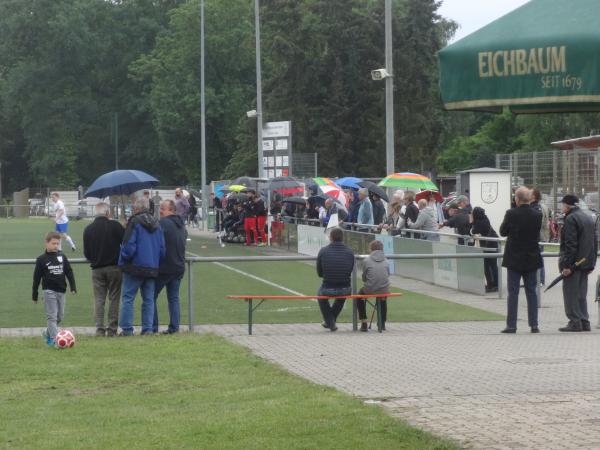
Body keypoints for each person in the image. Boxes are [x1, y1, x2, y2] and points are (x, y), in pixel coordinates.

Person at [118, 197, 165, 336]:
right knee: (149, 300)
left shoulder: (134, 222)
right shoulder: (157, 223)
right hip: (152, 266)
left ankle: (127, 330)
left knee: (128, 298)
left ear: (137, 208)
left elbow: (129, 247)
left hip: (134, 266)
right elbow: (162, 249)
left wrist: (124, 256)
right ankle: (147, 329)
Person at [499, 187, 542, 334]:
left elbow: (503, 231)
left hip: (514, 257)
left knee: (513, 292)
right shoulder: (537, 214)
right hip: (531, 256)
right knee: (531, 291)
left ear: (516, 199)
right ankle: (534, 324)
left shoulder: (511, 213)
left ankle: (511, 325)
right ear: (529, 199)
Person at [83, 202, 125, 337]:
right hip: (114, 268)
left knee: (99, 299)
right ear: (108, 213)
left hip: (97, 269)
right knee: (114, 298)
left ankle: (99, 329)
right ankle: (112, 330)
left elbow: (87, 253)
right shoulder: (115, 226)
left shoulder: (88, 229)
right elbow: (125, 242)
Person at [558, 194, 597, 332]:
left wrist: (567, 265)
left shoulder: (570, 219)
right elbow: (594, 242)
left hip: (574, 264)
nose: (561, 207)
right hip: (585, 262)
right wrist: (592, 263)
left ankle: (575, 321)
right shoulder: (588, 217)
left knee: (570, 293)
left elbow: (570, 245)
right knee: (581, 294)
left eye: (562, 204)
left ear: (568, 205)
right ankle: (584, 321)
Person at [32, 231, 77, 346]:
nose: (56, 246)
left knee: (59, 316)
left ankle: (46, 332)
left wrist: (73, 287)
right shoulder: (41, 259)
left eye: (57, 243)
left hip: (61, 291)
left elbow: (69, 272)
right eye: (53, 243)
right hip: (48, 291)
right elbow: (36, 278)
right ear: (46, 243)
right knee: (51, 316)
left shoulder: (62, 256)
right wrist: (35, 295)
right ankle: (54, 339)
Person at [153, 200, 187, 334]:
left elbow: (155, 241)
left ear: (171, 210)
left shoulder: (163, 223)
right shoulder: (181, 224)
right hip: (178, 266)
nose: (160, 211)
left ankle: (153, 327)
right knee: (173, 298)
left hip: (165, 267)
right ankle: (174, 328)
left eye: (162, 208)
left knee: (150, 296)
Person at [316, 227, 355, 331]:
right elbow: (350, 270)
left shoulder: (323, 251)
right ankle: (331, 321)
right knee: (342, 296)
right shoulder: (350, 251)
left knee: (321, 296)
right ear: (342, 238)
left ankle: (330, 322)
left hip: (328, 287)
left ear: (330, 238)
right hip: (345, 287)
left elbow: (319, 273)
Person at [357, 240, 390, 332]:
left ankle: (364, 322)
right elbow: (388, 274)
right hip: (384, 289)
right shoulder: (386, 261)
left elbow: (364, 277)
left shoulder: (366, 260)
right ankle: (382, 323)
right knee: (383, 297)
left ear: (371, 249)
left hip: (370, 288)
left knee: (359, 297)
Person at [470, 206, 499, 293]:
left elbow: (473, 231)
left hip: (488, 245)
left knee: (487, 266)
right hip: (493, 243)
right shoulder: (485, 218)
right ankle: (495, 284)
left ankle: (491, 285)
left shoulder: (478, 222)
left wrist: (471, 222)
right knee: (493, 265)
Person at [530, 189, 550, 285]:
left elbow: (540, 223)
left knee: (539, 258)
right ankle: (538, 279)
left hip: (539, 237)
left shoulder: (539, 208)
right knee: (538, 257)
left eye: (530, 193)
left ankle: (540, 280)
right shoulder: (542, 206)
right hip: (540, 236)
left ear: (534, 196)